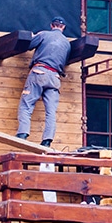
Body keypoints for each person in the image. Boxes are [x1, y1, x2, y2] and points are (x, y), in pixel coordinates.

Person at [16, 16, 70, 147]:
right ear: (63, 27)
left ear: (52, 25)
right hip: (55, 77)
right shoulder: (67, 43)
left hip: (40, 72)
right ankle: (47, 140)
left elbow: (29, 45)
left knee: (26, 104)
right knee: (51, 111)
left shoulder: (44, 34)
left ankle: (22, 134)